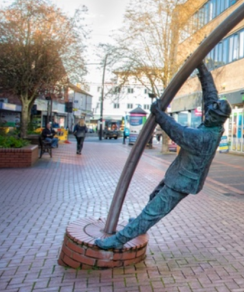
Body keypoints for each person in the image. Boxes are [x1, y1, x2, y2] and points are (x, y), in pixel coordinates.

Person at [95, 63, 232, 250]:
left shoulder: (205, 137)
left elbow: (176, 131)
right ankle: (140, 224)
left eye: (212, 113)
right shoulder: (214, 121)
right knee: (154, 196)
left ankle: (117, 242)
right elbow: (210, 94)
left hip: (182, 182)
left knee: (152, 212)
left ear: (218, 118)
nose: (208, 114)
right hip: (179, 174)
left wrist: (159, 114)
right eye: (209, 111)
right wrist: (202, 69)